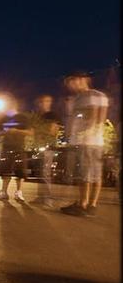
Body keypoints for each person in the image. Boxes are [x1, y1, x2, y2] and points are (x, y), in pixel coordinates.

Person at [61, 71, 109, 217]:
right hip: (97, 141)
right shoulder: (100, 95)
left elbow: (95, 114)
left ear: (83, 80)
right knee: (95, 173)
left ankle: (82, 204)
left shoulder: (87, 96)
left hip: (86, 141)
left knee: (85, 173)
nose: (72, 86)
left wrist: (85, 132)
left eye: (73, 81)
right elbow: (102, 115)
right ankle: (92, 205)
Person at [0, 96, 34, 202]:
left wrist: (16, 131)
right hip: (6, 148)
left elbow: (30, 132)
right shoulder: (3, 118)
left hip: (19, 148)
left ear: (14, 105)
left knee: (20, 171)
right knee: (5, 170)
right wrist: (5, 132)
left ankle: (19, 192)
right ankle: (4, 192)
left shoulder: (23, 118)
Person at [31, 95, 61, 208]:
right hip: (39, 147)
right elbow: (33, 131)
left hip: (49, 147)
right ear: (39, 103)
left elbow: (53, 131)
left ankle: (48, 198)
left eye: (48, 101)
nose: (45, 103)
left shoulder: (53, 115)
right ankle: (40, 196)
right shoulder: (38, 116)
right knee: (40, 172)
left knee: (46, 173)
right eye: (43, 101)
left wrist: (40, 132)